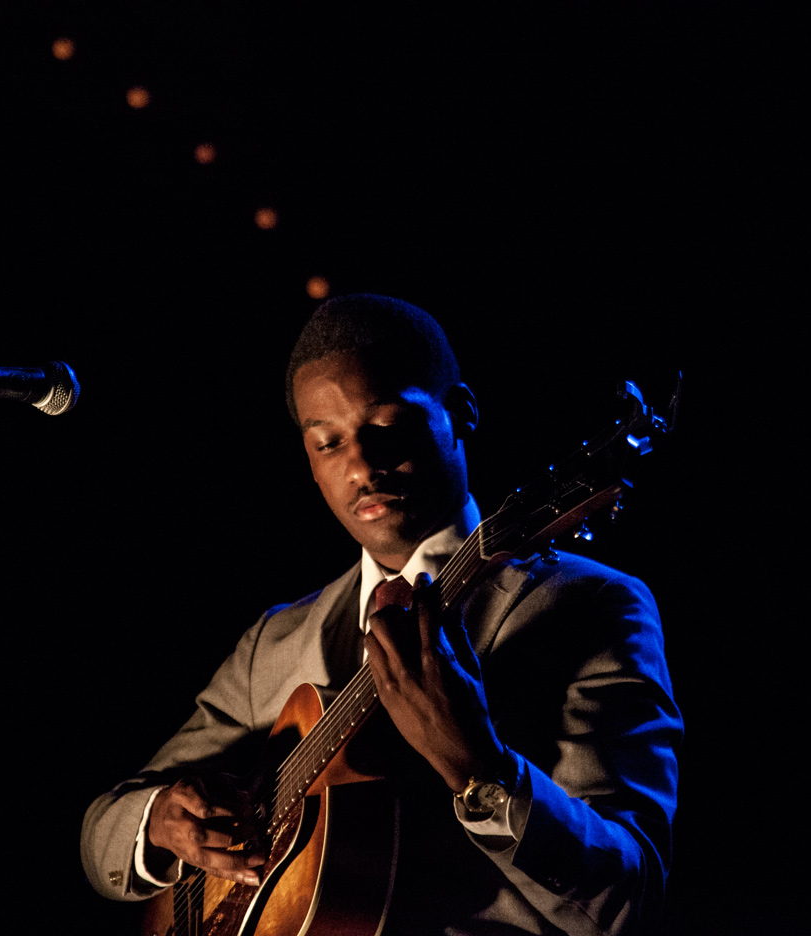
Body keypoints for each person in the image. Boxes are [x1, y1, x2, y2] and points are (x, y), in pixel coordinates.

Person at [81, 294, 681, 934]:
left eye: (388, 424)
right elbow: (101, 836)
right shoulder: (273, 644)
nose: (362, 467)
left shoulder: (590, 607)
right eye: (328, 443)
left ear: (460, 414)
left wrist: (480, 770)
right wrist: (160, 820)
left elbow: (627, 900)